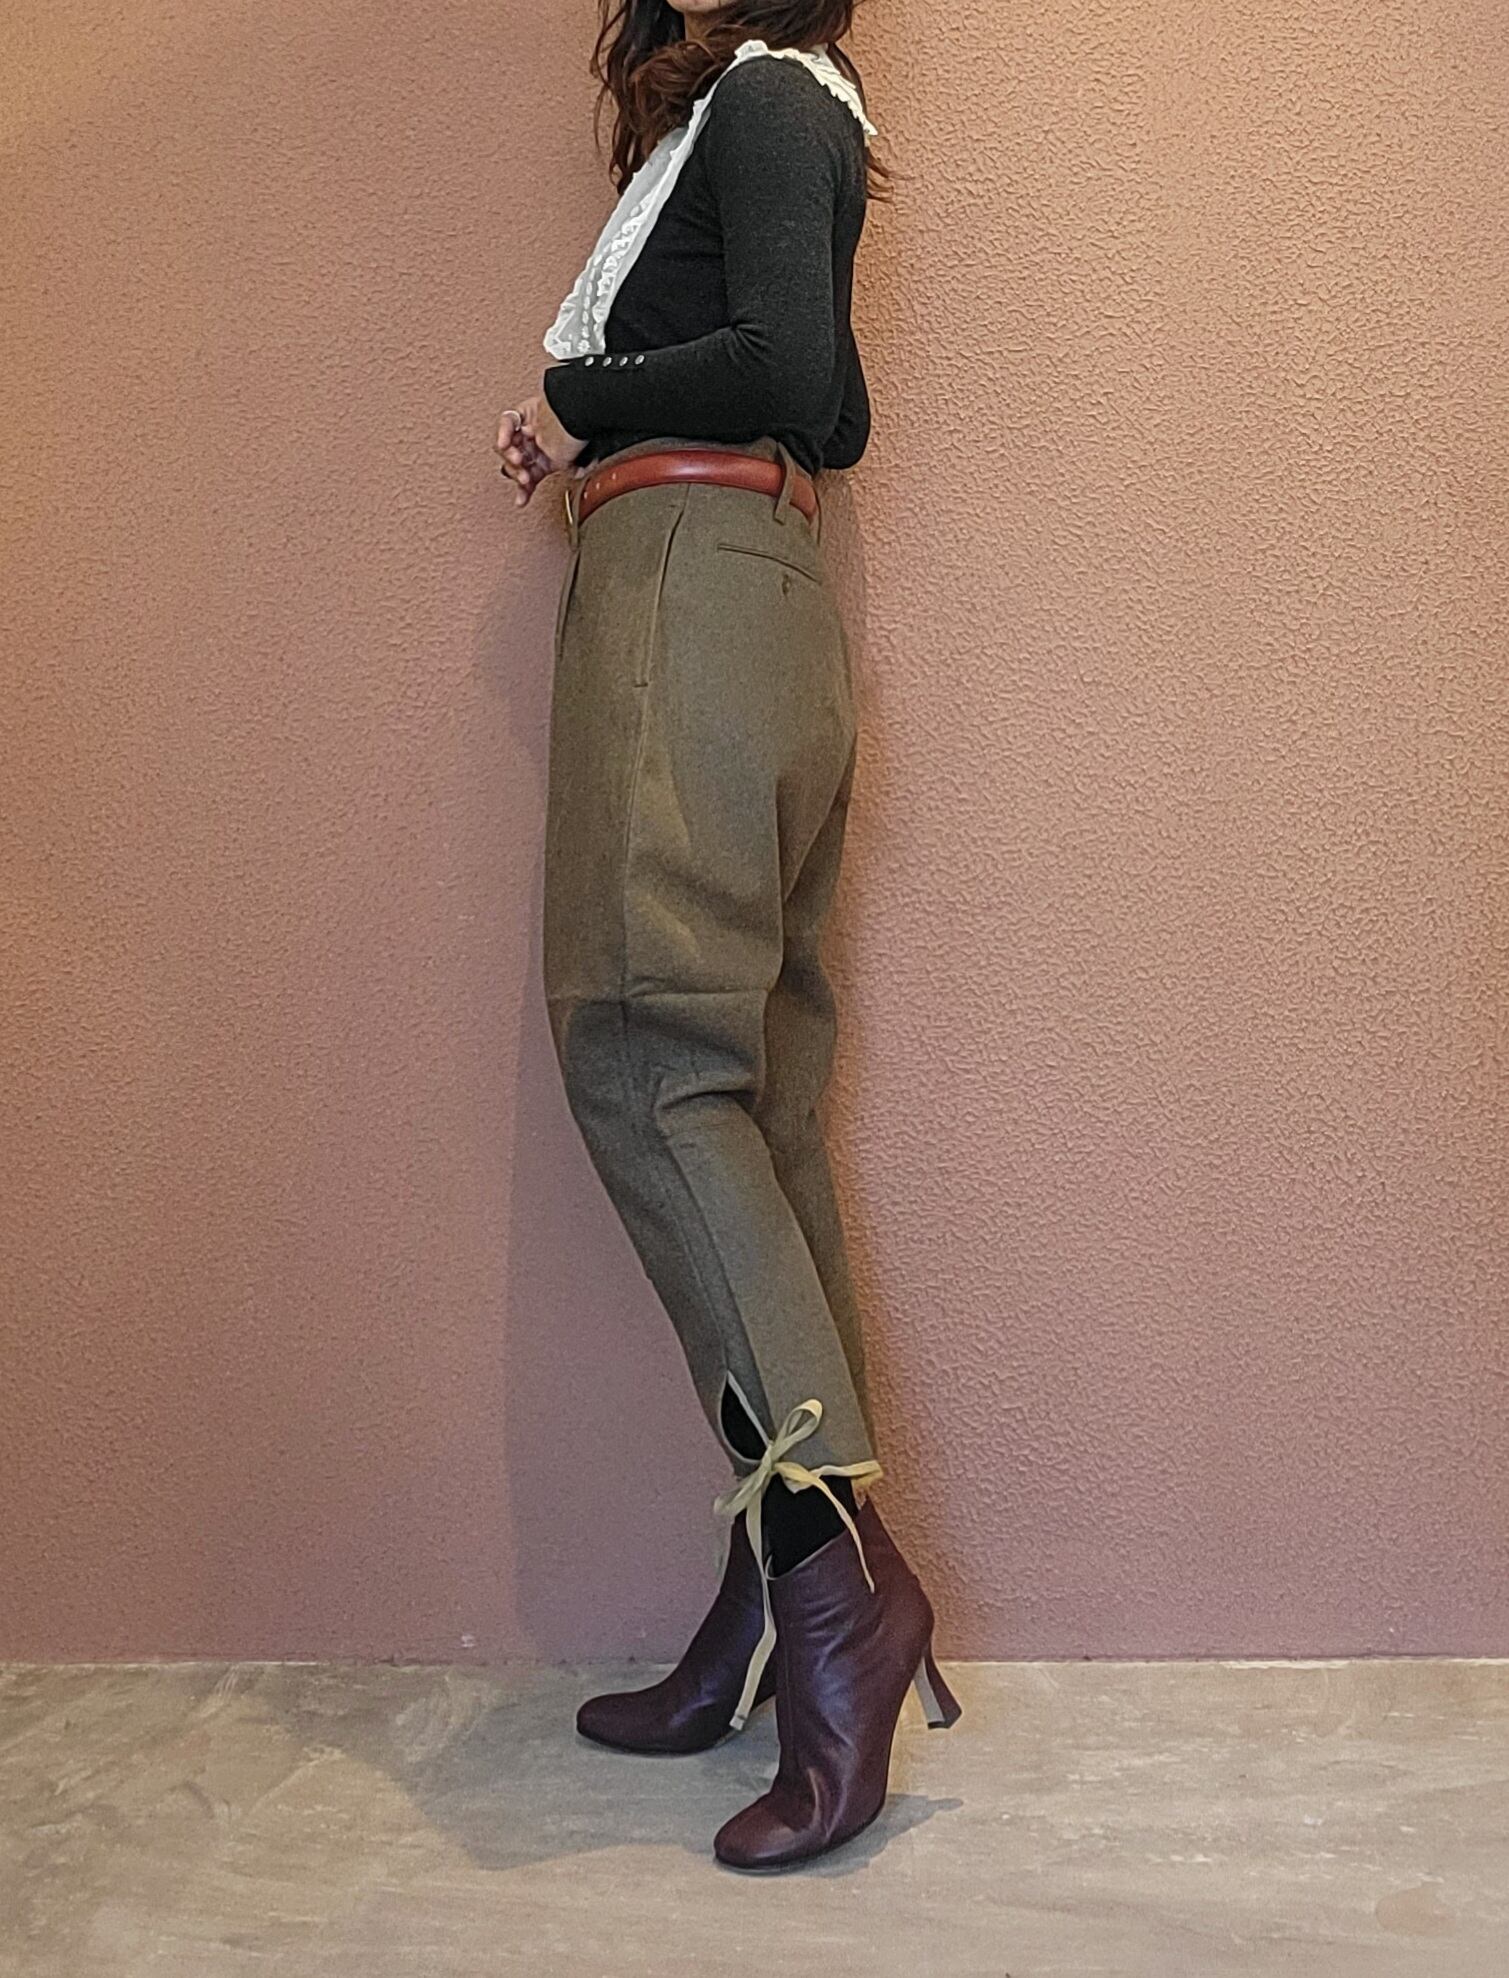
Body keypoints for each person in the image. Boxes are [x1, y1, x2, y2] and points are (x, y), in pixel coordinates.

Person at [493, 0, 960, 1871]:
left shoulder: (767, 100)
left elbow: (789, 366)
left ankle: (832, 1588)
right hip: (749, 589)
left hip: (689, 584)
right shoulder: (787, 115)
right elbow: (833, 408)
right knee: (748, 1107)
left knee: (646, 1054)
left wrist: (575, 402)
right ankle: (781, 1598)